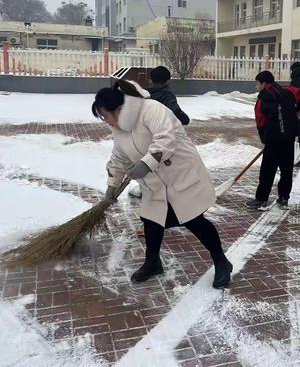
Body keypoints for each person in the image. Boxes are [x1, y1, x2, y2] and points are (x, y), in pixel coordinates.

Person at [92, 79, 232, 289]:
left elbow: (166, 139)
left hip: (179, 175)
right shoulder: (119, 128)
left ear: (118, 108)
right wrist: (113, 183)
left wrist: (147, 163)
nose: (106, 121)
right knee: (151, 220)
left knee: (194, 220)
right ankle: (153, 262)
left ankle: (222, 262)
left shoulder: (152, 110)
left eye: (105, 115)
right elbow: (119, 156)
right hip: (155, 182)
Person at [246, 71, 300, 210]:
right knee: (286, 169)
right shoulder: (288, 91)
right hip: (288, 137)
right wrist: (295, 111)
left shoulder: (263, 98)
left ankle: (261, 200)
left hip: (273, 139)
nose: (256, 86)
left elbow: (260, 121)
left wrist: (265, 138)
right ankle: (284, 198)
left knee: (267, 171)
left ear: (264, 84)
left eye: (257, 83)